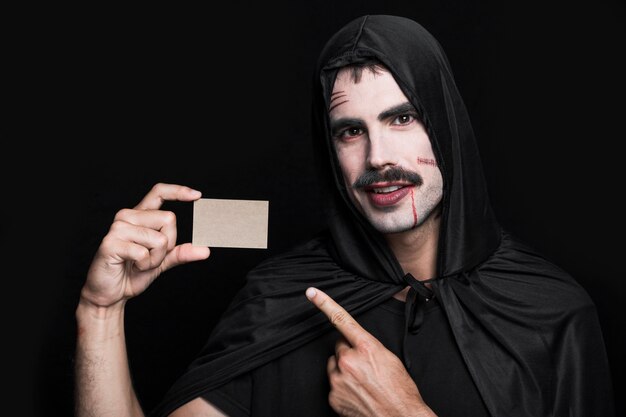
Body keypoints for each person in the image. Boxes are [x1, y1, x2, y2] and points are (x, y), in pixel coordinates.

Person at [74, 14, 615, 417]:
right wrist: (100, 314)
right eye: (350, 131)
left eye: (402, 118)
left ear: (445, 125)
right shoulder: (281, 300)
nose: (377, 157)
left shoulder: (550, 315)